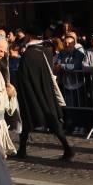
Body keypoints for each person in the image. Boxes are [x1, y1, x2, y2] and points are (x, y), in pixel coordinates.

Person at [15, 26, 74, 161]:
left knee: (28, 119)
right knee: (48, 120)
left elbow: (23, 75)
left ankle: (67, 149)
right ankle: (22, 149)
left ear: (29, 37)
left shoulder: (30, 54)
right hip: (46, 90)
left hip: (32, 92)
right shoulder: (46, 50)